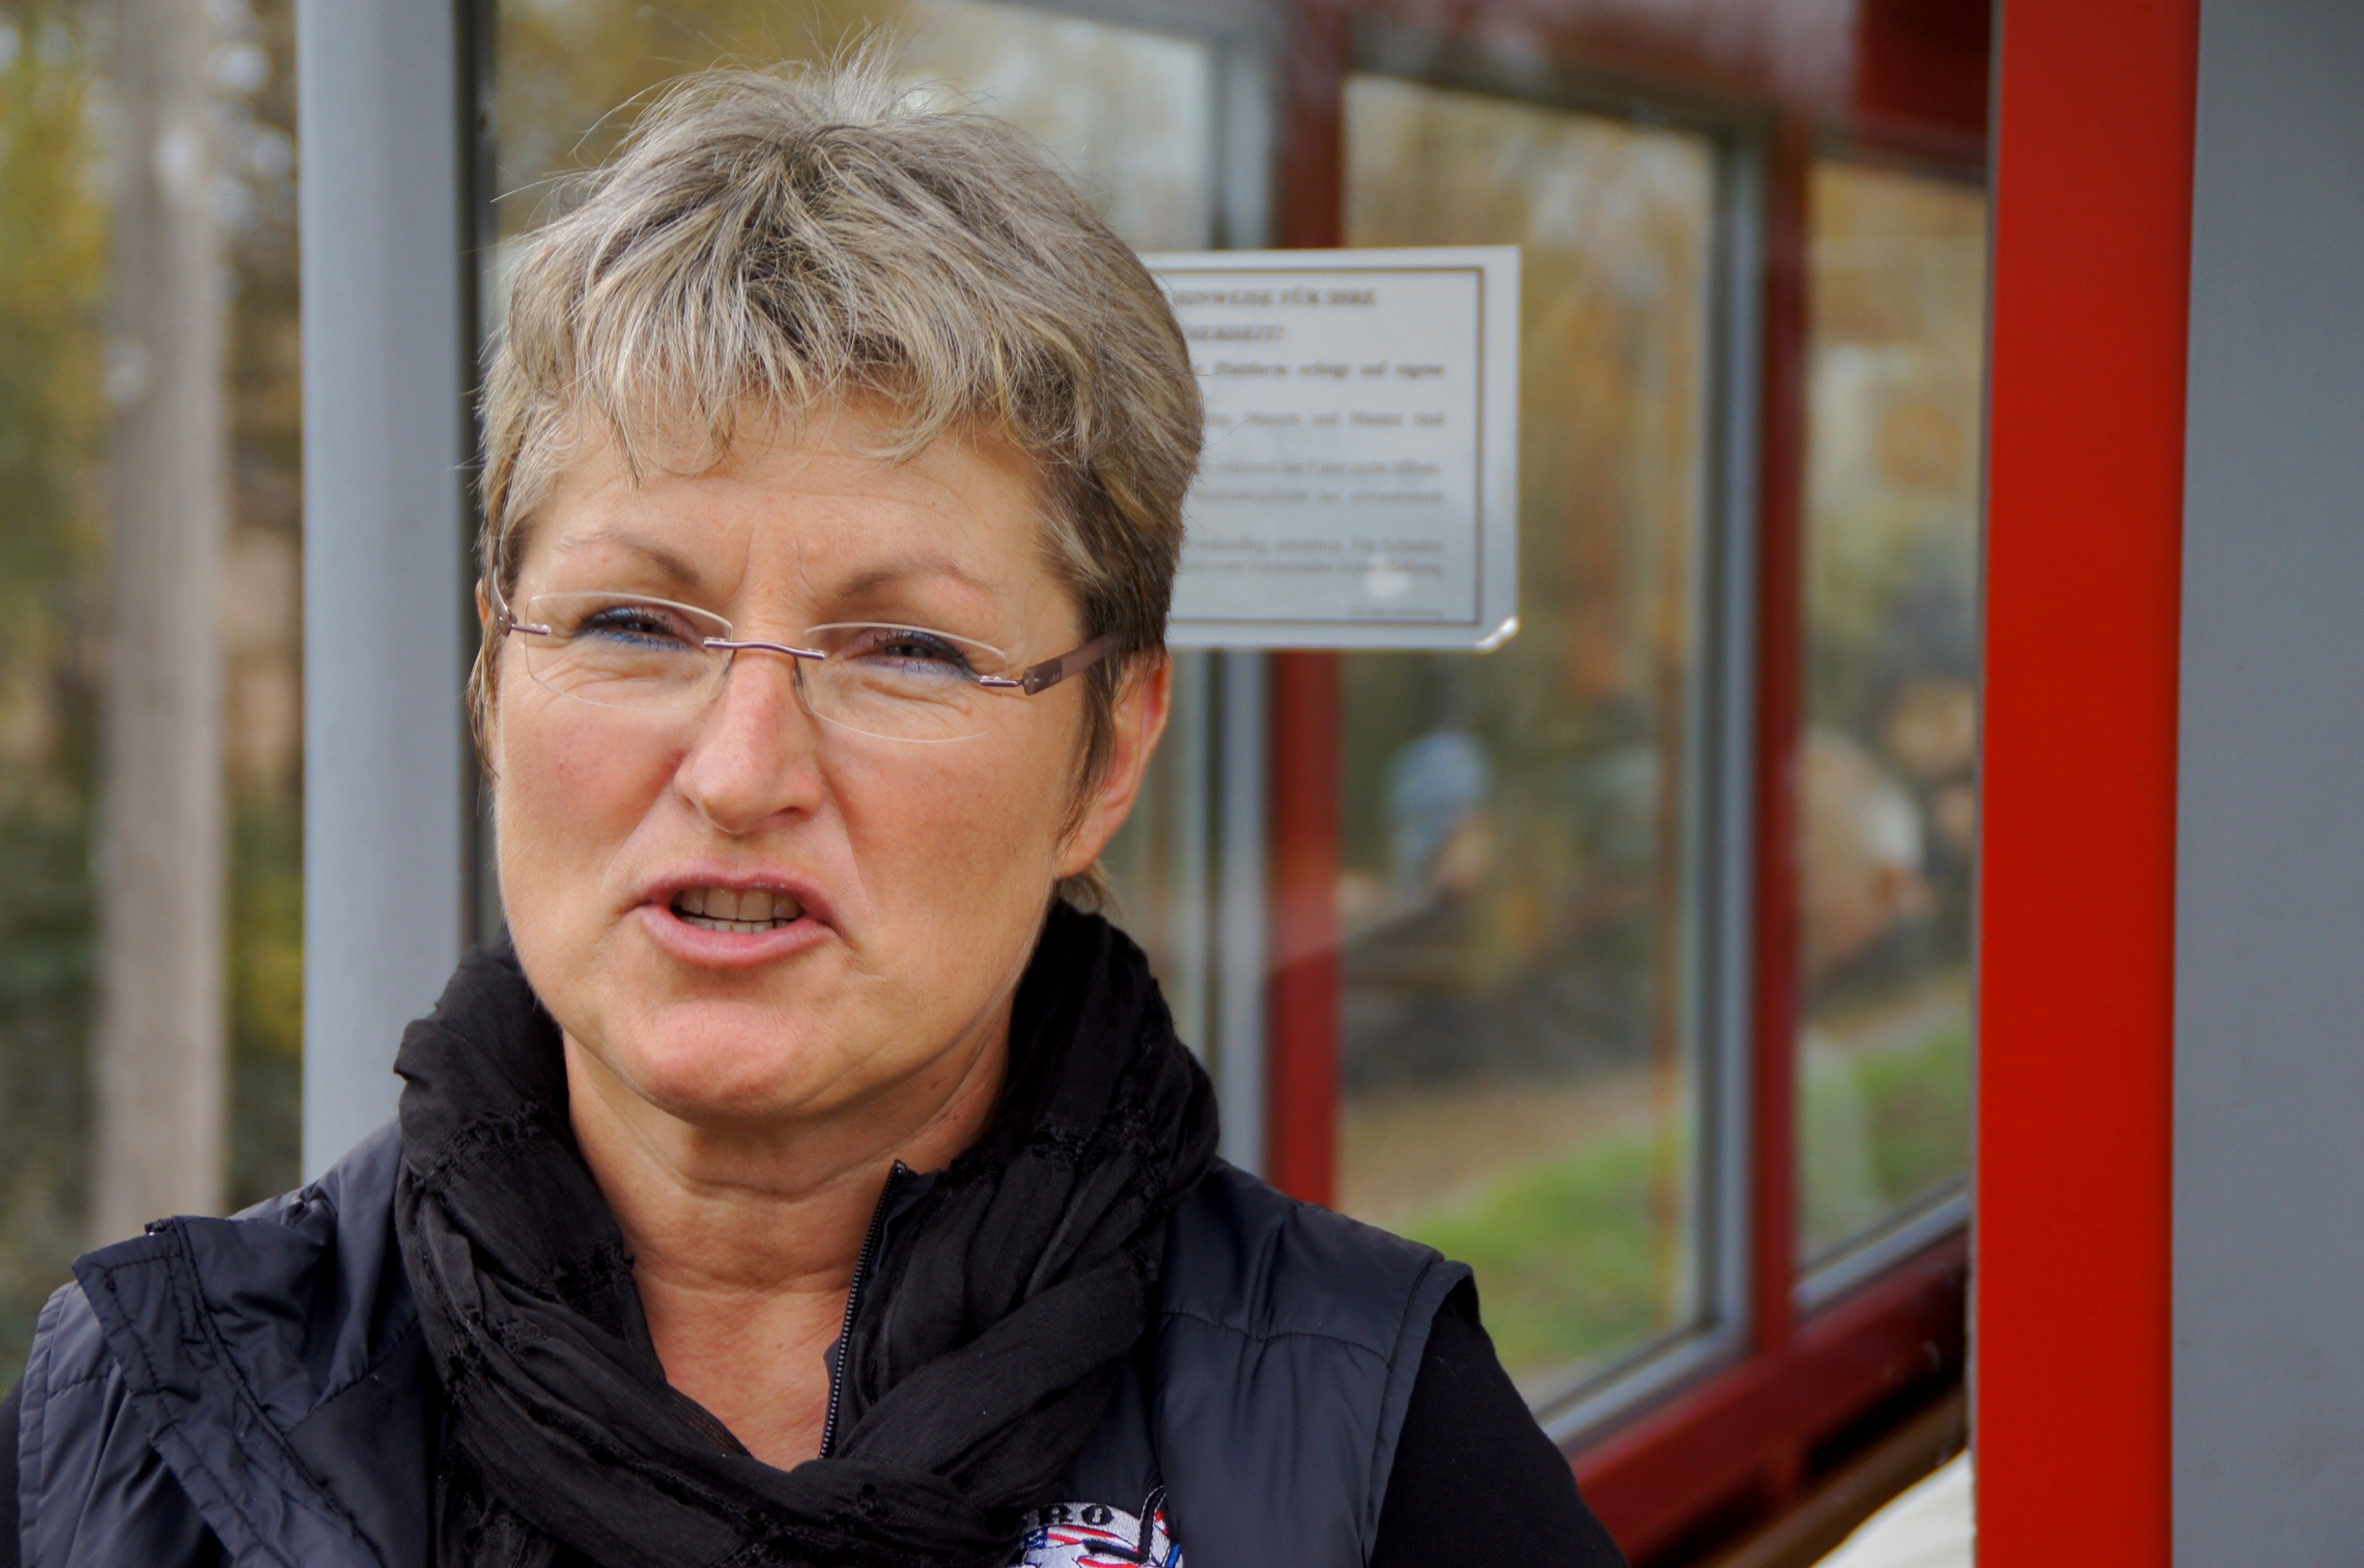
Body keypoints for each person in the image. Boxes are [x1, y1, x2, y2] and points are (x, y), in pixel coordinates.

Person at [2, 63, 1627, 1568]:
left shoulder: (1379, 1449)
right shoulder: (148, 1427)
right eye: (635, 622)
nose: (739, 769)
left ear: (1108, 755)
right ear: (495, 675)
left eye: (905, 648)